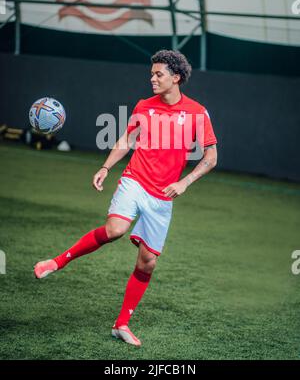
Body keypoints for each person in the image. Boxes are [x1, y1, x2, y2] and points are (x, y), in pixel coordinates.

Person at [34, 50, 218, 347]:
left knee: (147, 264)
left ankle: (121, 324)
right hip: (136, 180)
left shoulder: (197, 112)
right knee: (115, 230)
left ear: (177, 77)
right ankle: (56, 262)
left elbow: (211, 157)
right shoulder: (144, 106)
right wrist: (106, 167)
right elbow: (127, 140)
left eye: (159, 74)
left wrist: (185, 182)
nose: (152, 79)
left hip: (164, 196)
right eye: (151, 74)